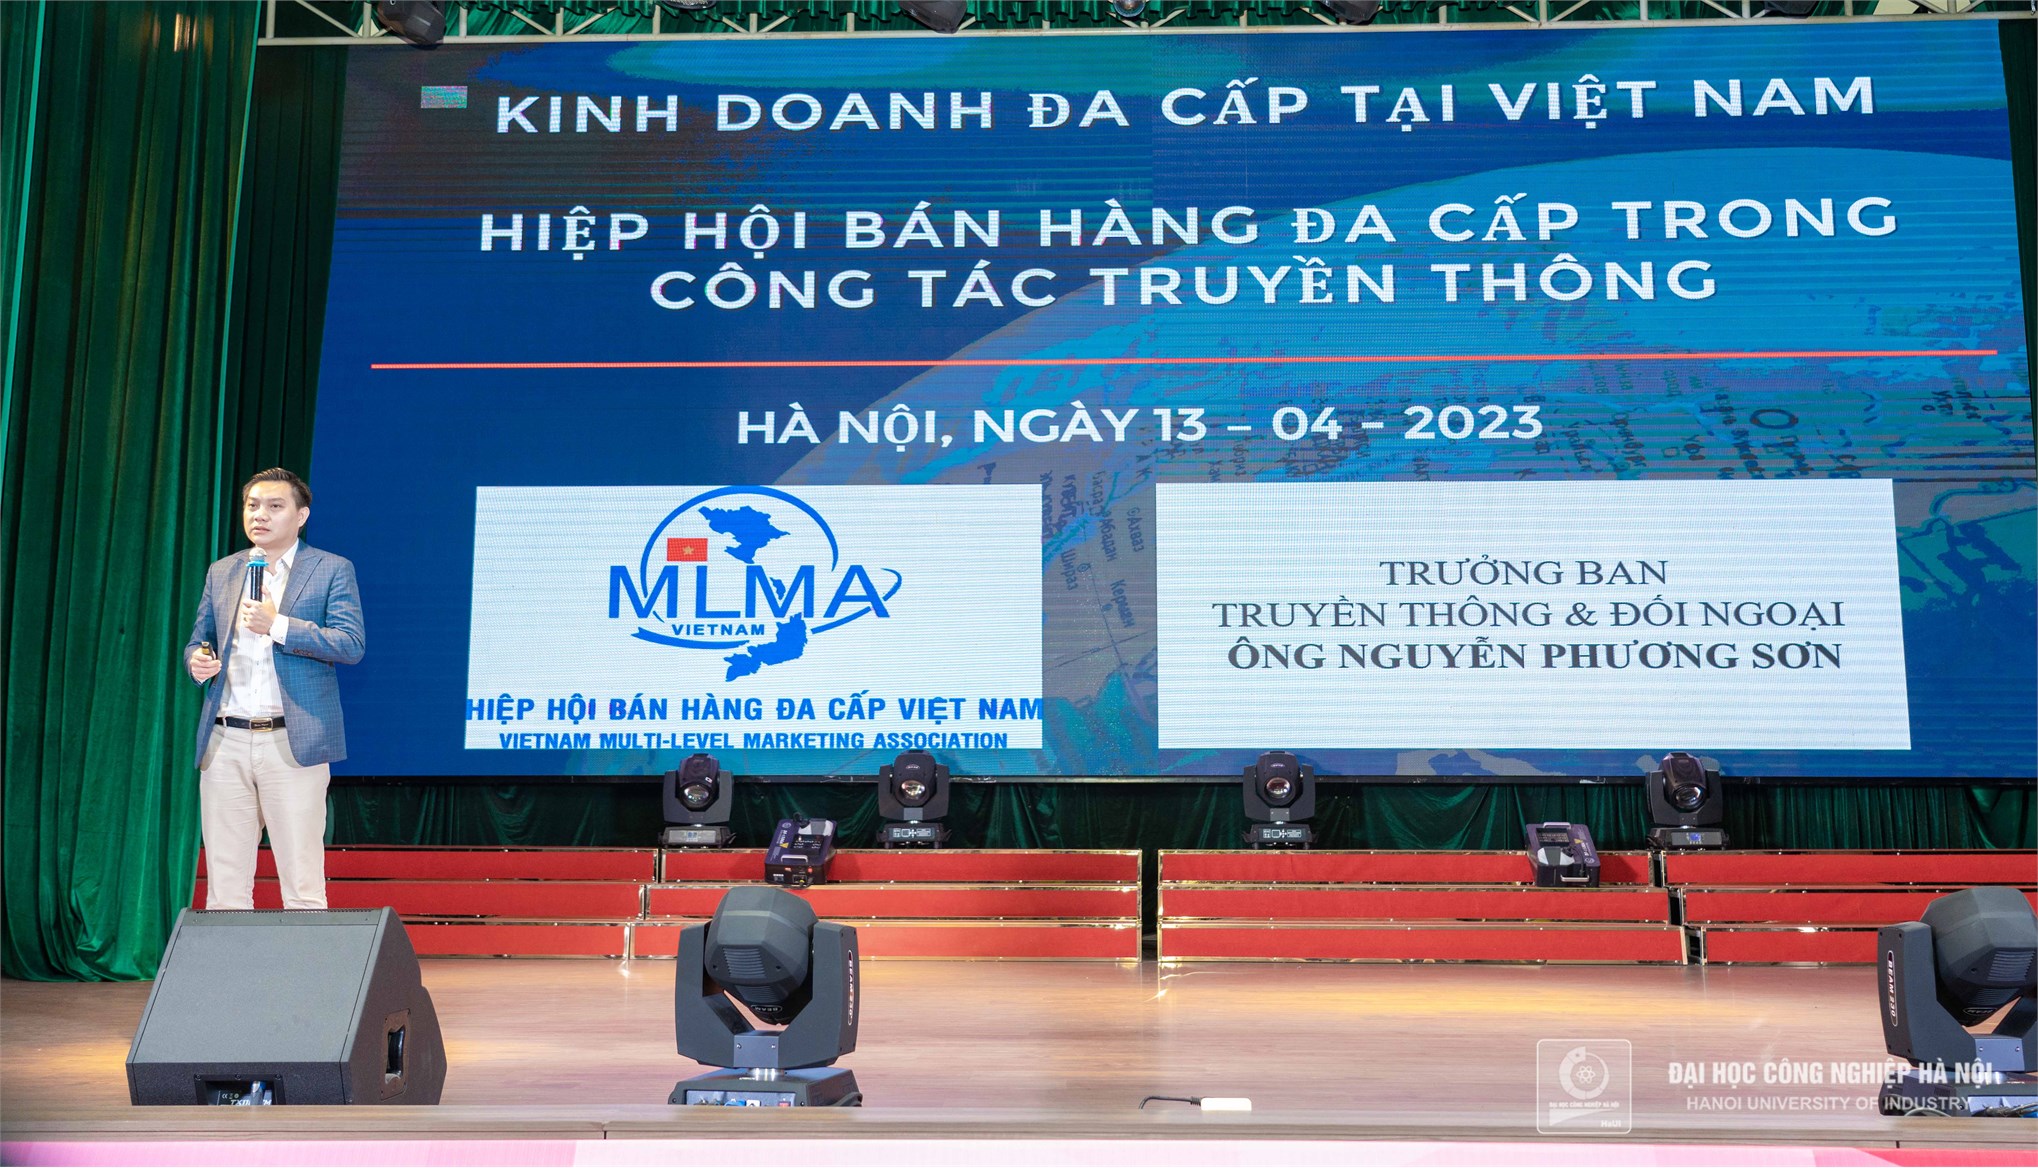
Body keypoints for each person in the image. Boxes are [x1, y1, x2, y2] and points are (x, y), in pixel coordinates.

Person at [184, 468, 365, 910]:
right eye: (252, 506)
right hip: (225, 739)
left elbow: (350, 643)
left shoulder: (330, 569)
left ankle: (308, 959)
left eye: (274, 506)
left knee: (303, 887)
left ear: (301, 516)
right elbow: (199, 639)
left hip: (292, 741)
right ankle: (228, 958)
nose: (259, 515)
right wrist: (197, 661)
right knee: (225, 890)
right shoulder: (224, 571)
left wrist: (278, 625)